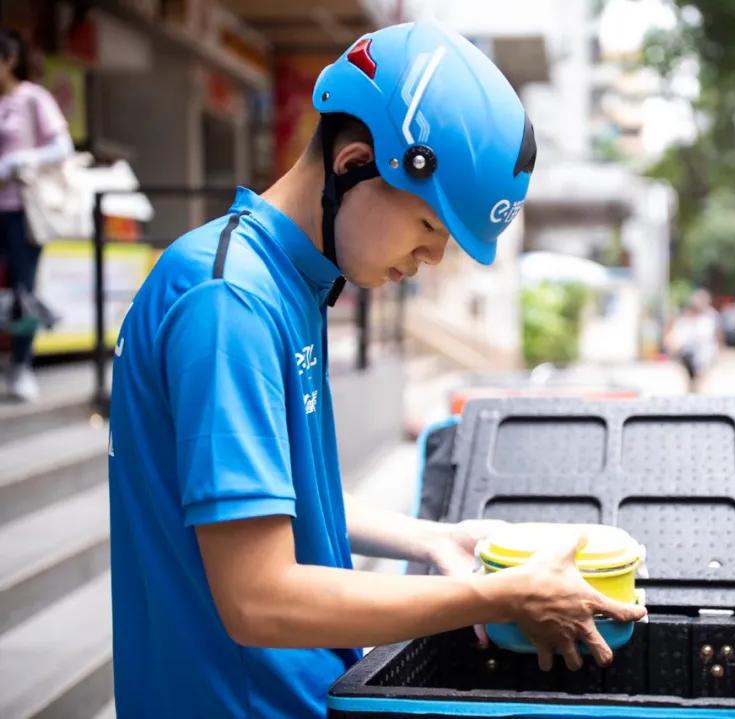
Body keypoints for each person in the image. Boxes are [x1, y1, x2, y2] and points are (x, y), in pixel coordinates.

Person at [107, 20, 644, 719]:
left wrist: (431, 538)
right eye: (429, 227)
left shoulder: (284, 281)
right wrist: (498, 595)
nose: (432, 258)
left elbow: (277, 501)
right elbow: (257, 597)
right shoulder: (230, 302)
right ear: (354, 163)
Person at [0, 29, 73, 401]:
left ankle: (21, 365)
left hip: (21, 211)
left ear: (9, 60)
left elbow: (62, 146)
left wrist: (19, 160)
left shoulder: (32, 98)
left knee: (23, 291)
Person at [664, 289, 722, 392]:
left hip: (704, 350)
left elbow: (717, 334)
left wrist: (719, 349)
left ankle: (699, 390)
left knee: (701, 372)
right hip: (687, 349)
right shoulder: (685, 315)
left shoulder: (711, 315)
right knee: (691, 375)